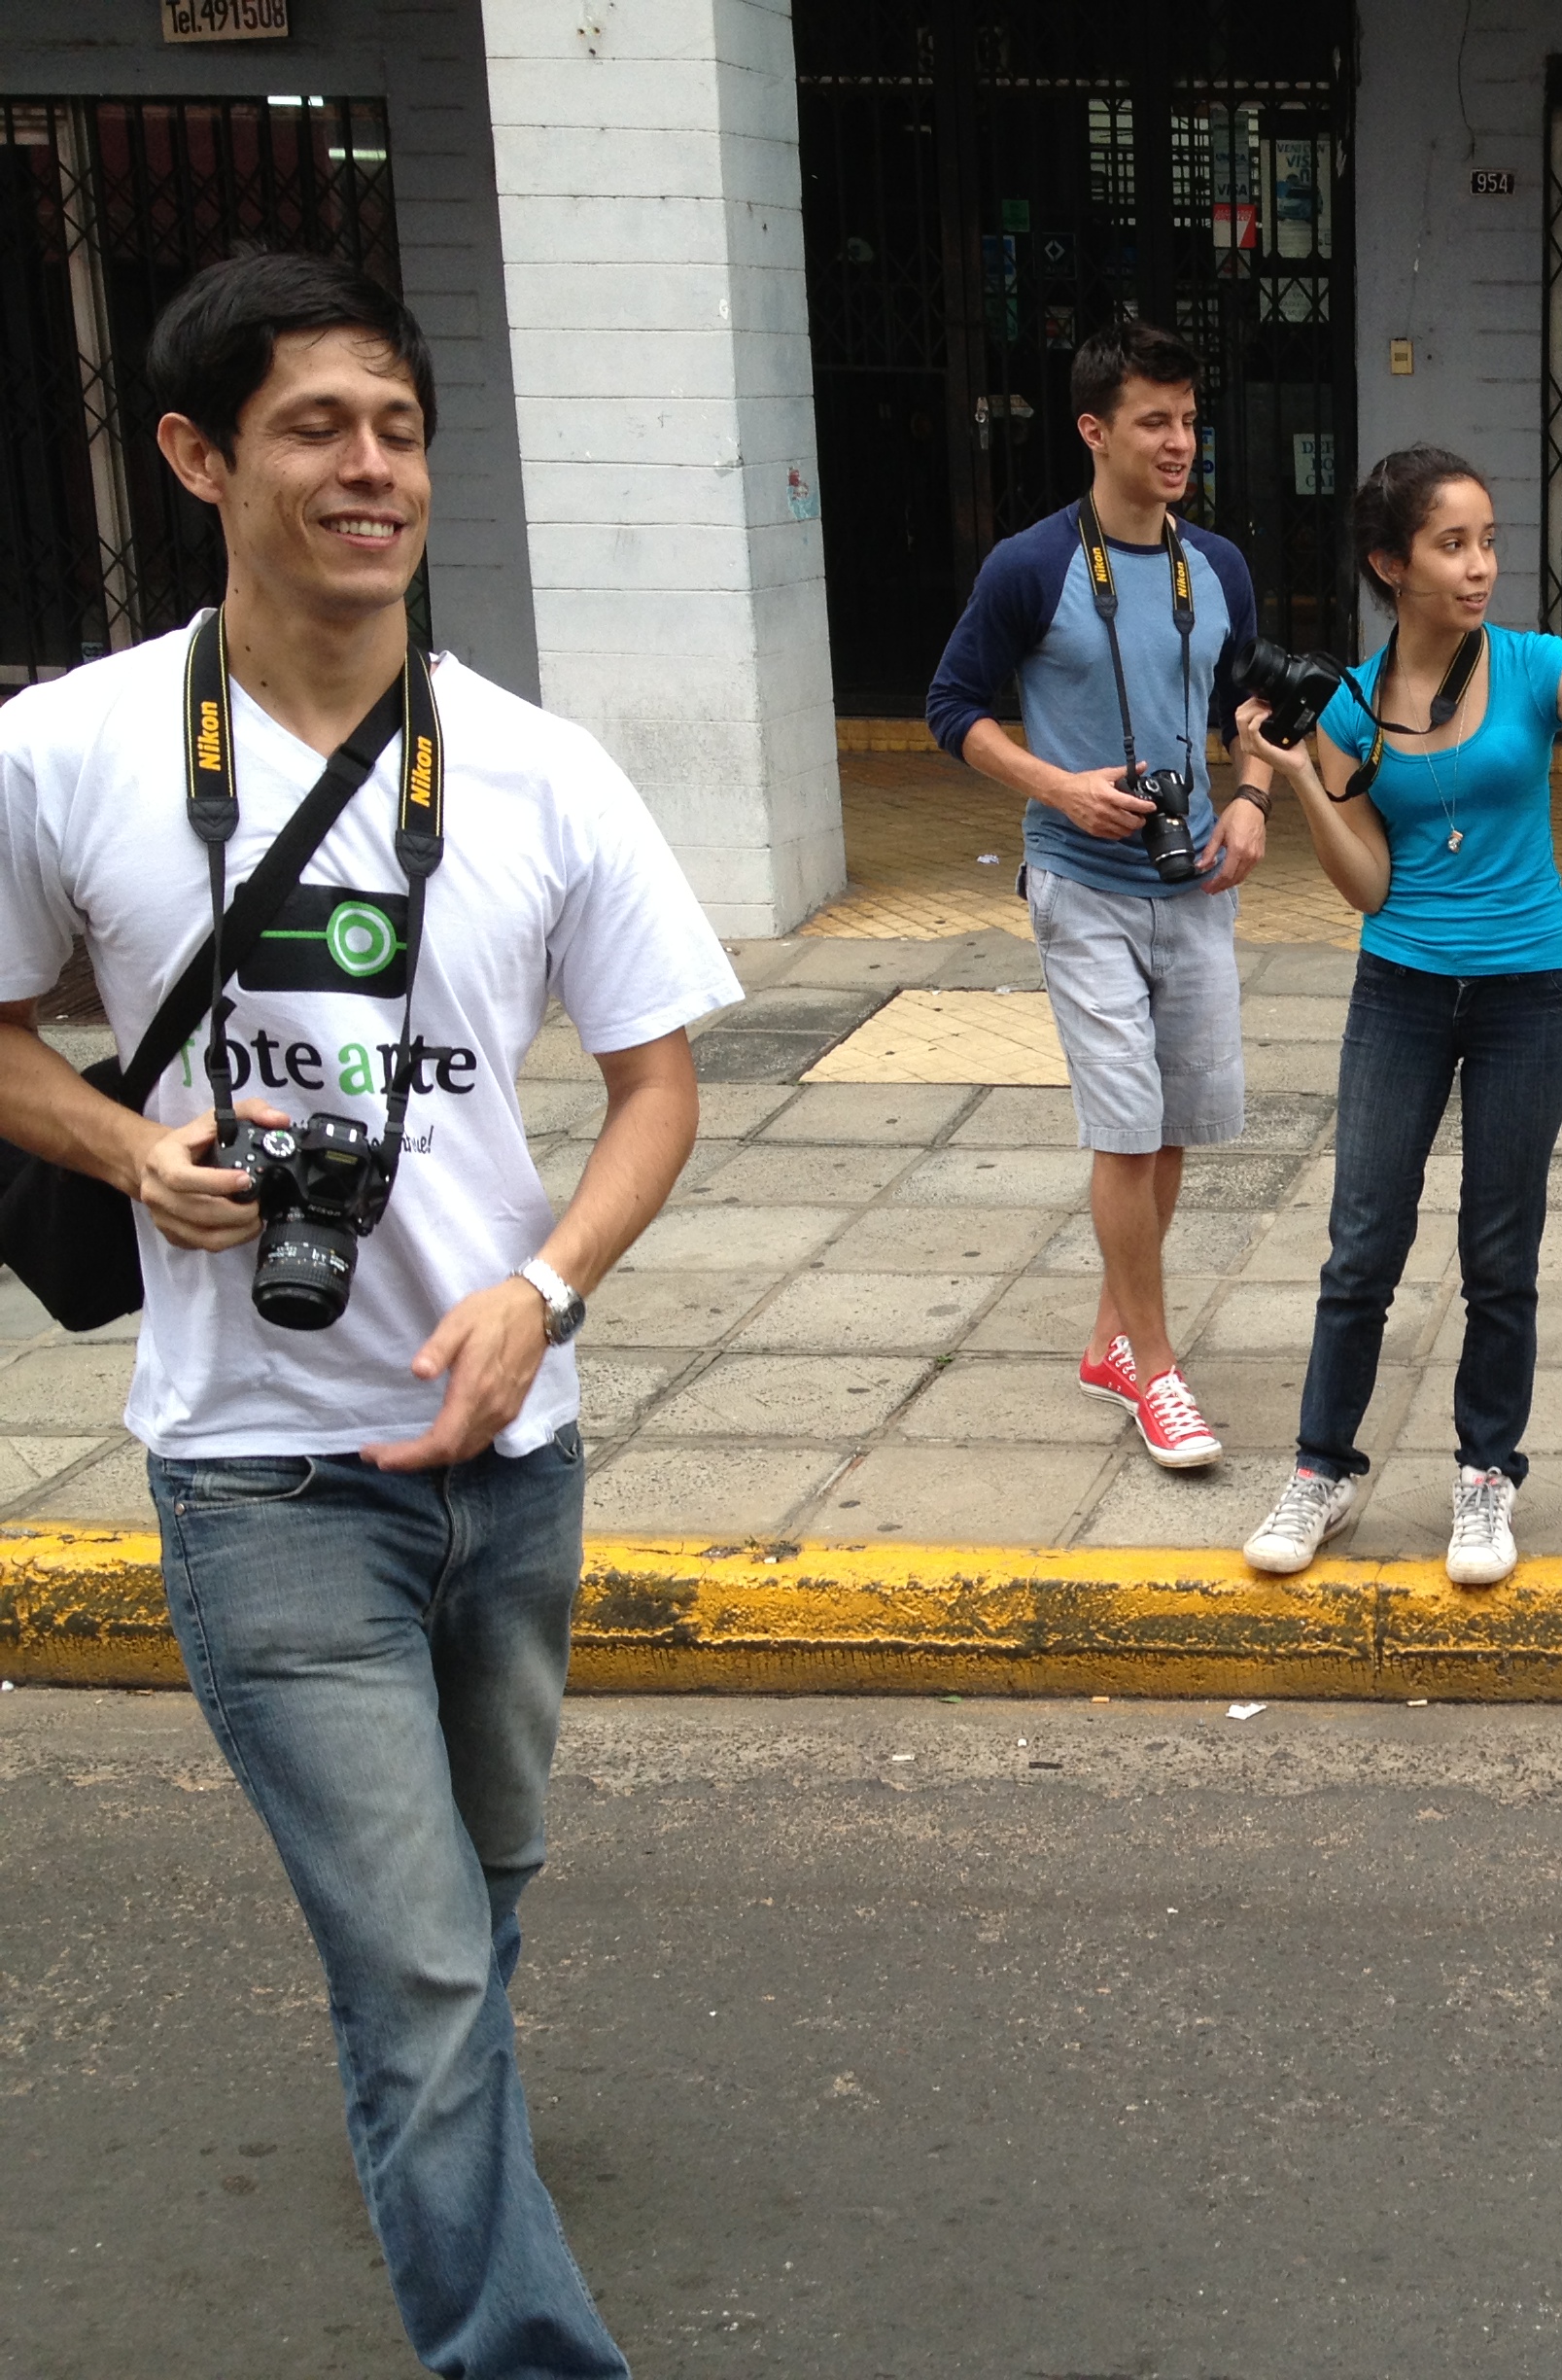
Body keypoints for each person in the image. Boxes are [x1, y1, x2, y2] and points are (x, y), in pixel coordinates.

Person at [0, 254, 739, 2374]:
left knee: (483, 1889)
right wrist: (128, 1152)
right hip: (259, 1474)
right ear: (197, 456)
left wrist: (545, 1285)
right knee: (418, 1964)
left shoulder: (536, 769)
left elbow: (658, 1081)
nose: (368, 469)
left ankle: (436, 2134)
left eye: (397, 429)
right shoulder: (65, 753)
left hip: (507, 1456)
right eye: (316, 427)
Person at [1234, 445, 1562, 1586]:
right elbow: (1370, 887)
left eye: (1489, 540)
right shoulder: (1347, 703)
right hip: (1399, 985)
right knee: (1363, 1243)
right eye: (1453, 544)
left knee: (1501, 1252)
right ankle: (1322, 1470)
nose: (1481, 565)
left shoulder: (1542, 666)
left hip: (1528, 992)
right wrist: (1297, 775)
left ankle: (1486, 1477)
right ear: (1393, 564)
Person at [926, 319, 1271, 1470]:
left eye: (1187, 418)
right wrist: (1057, 789)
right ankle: (1158, 1371)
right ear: (1094, 431)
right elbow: (953, 709)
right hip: (1081, 883)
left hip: (1196, 879)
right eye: (1153, 422)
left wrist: (1254, 796)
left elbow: (1252, 708)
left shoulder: (1215, 565)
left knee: (1171, 1131)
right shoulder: (1030, 565)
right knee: (1126, 1130)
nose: (1179, 442)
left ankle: (1111, 1341)